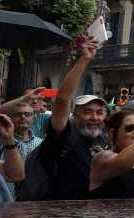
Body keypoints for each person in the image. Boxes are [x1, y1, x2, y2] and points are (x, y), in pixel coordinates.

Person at [33, 37, 106, 202]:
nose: (94, 117)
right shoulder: (65, 133)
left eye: (100, 112)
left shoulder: (104, 139)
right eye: (87, 112)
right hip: (58, 212)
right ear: (75, 114)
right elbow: (62, 98)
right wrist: (84, 60)